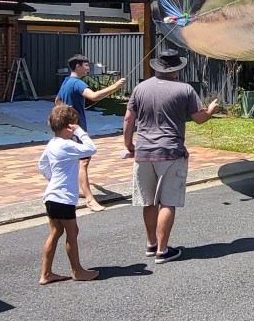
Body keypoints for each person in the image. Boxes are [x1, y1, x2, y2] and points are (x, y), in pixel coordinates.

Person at [123, 47, 219, 264]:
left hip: (144, 151)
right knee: (167, 201)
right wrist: (211, 110)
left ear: (158, 66)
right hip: (171, 151)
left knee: (149, 202)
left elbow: (129, 118)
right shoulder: (185, 89)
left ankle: (151, 244)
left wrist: (128, 144)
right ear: (177, 68)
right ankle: (162, 250)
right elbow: (199, 118)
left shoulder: (140, 88)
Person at [56, 54, 127, 212]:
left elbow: (57, 101)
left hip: (67, 129)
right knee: (84, 162)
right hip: (77, 129)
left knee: (75, 162)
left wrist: (65, 114)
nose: (88, 68)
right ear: (78, 66)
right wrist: (116, 86)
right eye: (86, 65)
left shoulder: (66, 82)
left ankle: (77, 190)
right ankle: (90, 199)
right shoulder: (77, 83)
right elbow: (94, 96)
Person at [38, 104, 99, 285]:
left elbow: (42, 164)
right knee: (72, 232)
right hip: (63, 198)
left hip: (51, 196)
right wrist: (80, 131)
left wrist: (53, 179)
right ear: (69, 126)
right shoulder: (67, 145)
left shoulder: (52, 144)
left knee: (56, 231)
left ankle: (46, 273)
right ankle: (77, 271)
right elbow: (91, 148)